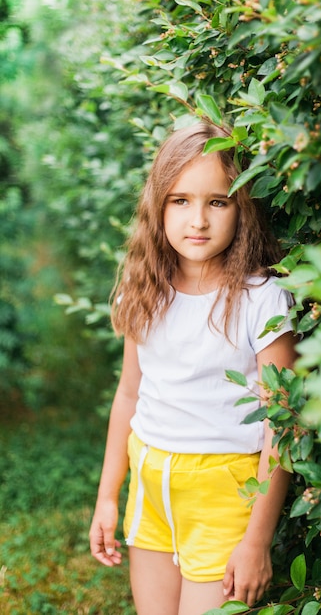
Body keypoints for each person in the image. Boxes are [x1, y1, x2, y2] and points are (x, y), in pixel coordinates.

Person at [89, 121, 297, 615]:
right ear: (157, 206)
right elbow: (129, 395)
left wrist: (256, 540)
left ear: (240, 208)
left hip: (224, 493)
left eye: (217, 202)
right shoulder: (143, 289)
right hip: (151, 481)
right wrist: (106, 497)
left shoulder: (261, 299)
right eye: (180, 200)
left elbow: (284, 422)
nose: (197, 219)